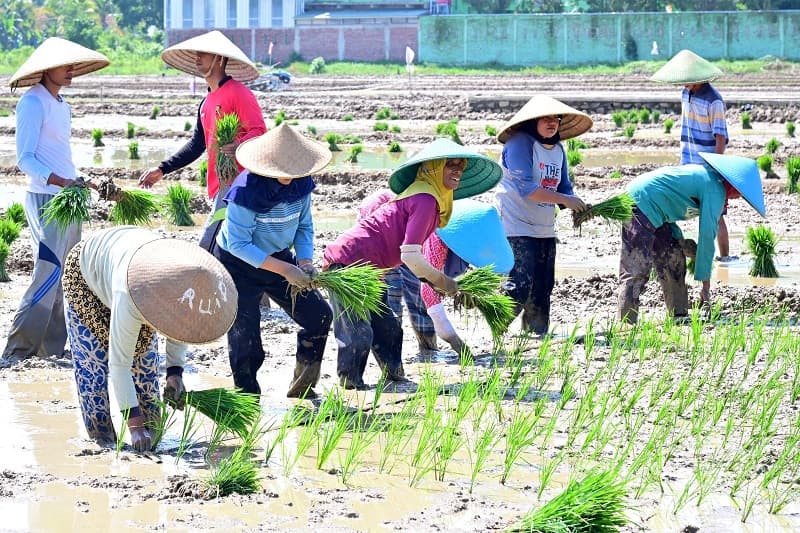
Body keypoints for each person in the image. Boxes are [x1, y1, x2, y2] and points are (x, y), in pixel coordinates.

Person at [323, 138, 503, 389]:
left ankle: (395, 380)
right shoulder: (425, 200)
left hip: (373, 268)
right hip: (349, 263)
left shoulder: (428, 198)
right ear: (433, 170)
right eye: (450, 165)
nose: (457, 171)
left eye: (460, 167)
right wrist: (446, 282)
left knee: (388, 328)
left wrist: (439, 284)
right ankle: (352, 389)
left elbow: (413, 258)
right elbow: (410, 255)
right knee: (357, 333)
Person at [61, 226, 238, 452]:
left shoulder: (182, 283)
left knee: (146, 372)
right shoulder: (130, 296)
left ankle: (150, 440)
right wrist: (134, 426)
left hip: (129, 264)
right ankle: (103, 442)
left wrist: (175, 373)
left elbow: (183, 323)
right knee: (93, 372)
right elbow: (119, 365)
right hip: (88, 278)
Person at [1, 38, 109, 366]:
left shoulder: (61, 105)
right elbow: (25, 159)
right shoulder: (33, 103)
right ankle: (18, 351)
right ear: (47, 68)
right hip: (46, 199)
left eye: (73, 65)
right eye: (65, 65)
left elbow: (61, 156)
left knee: (68, 274)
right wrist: (61, 181)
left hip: (68, 199)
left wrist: (82, 180)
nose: (71, 70)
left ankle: (51, 349)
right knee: (47, 273)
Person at [214, 124, 333, 398]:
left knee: (319, 316)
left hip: (279, 258)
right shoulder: (246, 191)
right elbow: (238, 244)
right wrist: (287, 269)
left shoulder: (302, 184)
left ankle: (302, 388)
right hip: (237, 264)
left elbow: (304, 227)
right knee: (245, 339)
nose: (288, 177)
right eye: (282, 170)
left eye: (293, 170)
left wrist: (303, 261)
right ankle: (247, 399)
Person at [138, 30, 267, 252]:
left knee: (207, 245)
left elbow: (259, 131)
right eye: (197, 54)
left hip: (238, 186)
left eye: (204, 54)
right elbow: (197, 145)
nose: (198, 57)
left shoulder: (239, 93)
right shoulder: (206, 102)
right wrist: (162, 169)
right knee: (233, 250)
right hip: (219, 185)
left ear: (219, 59)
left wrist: (239, 146)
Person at [618, 153, 765, 324]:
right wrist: (705, 288)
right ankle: (626, 323)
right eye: (741, 193)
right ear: (733, 185)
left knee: (674, 258)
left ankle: (678, 316)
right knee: (637, 266)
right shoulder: (714, 188)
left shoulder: (711, 182)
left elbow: (668, 204)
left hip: (658, 210)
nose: (739, 197)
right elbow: (707, 237)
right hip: (639, 201)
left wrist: (679, 242)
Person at [359, 192, 513, 355]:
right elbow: (429, 291)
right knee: (391, 302)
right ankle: (392, 361)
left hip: (411, 242)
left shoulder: (479, 229)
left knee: (418, 301)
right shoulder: (439, 236)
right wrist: (454, 341)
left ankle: (429, 350)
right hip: (382, 237)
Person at [494, 95, 592, 336]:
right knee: (519, 286)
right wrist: (565, 200)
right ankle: (495, 331)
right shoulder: (519, 144)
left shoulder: (558, 150)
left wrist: (579, 207)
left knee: (543, 287)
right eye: (546, 118)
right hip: (515, 225)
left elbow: (564, 187)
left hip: (544, 226)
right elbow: (527, 189)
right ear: (533, 121)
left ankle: (535, 336)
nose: (552, 123)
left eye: (556, 119)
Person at [652, 49, 733, 261]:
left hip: (707, 167)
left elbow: (720, 138)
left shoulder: (714, 101)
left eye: (687, 79)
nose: (684, 82)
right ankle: (676, 247)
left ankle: (724, 259)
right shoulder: (685, 93)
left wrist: (715, 169)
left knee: (715, 215)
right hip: (687, 163)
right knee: (676, 206)